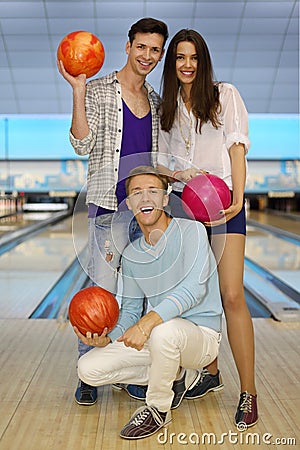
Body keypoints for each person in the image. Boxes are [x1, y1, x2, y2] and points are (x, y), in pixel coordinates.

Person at [57, 18, 169, 405]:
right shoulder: (100, 88)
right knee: (100, 296)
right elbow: (81, 143)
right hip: (107, 209)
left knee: (140, 299)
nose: (148, 56)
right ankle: (89, 372)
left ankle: (132, 371)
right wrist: (77, 90)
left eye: (155, 50)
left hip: (146, 214)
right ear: (128, 46)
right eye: (142, 47)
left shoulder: (156, 102)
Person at [74, 166, 223, 440]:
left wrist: (147, 324)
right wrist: (107, 339)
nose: (146, 198)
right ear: (128, 204)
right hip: (159, 338)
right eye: (137, 193)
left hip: (201, 338)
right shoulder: (131, 255)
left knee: (164, 331)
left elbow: (193, 290)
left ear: (165, 198)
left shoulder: (192, 231)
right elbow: (130, 312)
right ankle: (174, 372)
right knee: (88, 369)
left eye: (153, 191)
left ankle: (157, 409)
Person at [156, 29, 258, 428]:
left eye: (193, 57)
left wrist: (238, 197)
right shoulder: (166, 109)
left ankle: (248, 392)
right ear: (172, 63)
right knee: (196, 296)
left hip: (223, 203)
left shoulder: (225, 94)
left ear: (203, 61)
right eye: (180, 57)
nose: (186, 65)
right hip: (184, 206)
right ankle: (210, 373)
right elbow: (161, 162)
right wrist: (175, 171)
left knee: (231, 294)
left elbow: (236, 146)